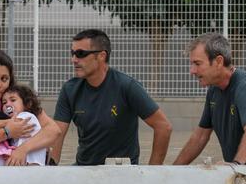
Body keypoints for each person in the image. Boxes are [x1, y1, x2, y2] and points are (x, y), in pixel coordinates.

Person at [53, 29, 172, 165]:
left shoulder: (127, 86)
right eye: (72, 53)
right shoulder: (69, 90)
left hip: (120, 172)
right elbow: (57, 134)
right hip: (83, 171)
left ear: (102, 56)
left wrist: (152, 172)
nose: (73, 59)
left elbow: (163, 126)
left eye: (80, 54)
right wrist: (50, 170)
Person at [173, 33, 246, 166]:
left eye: (197, 63)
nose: (192, 71)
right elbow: (200, 136)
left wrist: (235, 165)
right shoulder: (214, 90)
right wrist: (172, 172)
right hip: (242, 171)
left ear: (218, 61)